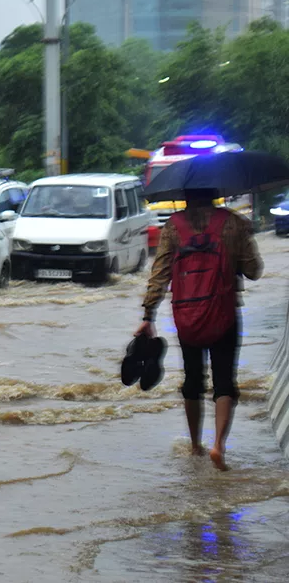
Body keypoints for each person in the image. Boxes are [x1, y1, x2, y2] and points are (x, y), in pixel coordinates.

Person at [136, 188, 263, 471]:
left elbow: (160, 274)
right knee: (224, 380)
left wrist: (148, 314)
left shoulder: (173, 227)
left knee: (193, 378)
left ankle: (195, 445)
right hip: (223, 313)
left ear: (186, 195)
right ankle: (218, 445)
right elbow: (254, 270)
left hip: (186, 316)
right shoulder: (234, 223)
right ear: (217, 192)